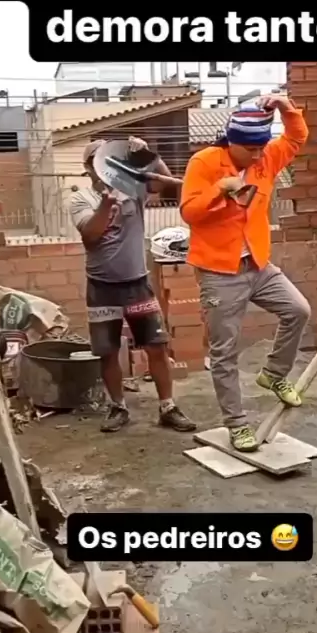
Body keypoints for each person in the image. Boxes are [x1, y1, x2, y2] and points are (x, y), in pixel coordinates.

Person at [180, 96, 311, 452]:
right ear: (232, 143)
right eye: (250, 150)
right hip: (219, 272)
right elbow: (189, 212)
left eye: (260, 149)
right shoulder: (205, 162)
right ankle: (237, 424)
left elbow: (296, 138)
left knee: (298, 310)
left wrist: (286, 107)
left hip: (258, 264)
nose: (257, 156)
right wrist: (218, 190)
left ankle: (274, 374)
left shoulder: (265, 158)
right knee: (224, 351)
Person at [69, 138, 196, 433]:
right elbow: (91, 235)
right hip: (102, 288)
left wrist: (148, 154)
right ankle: (118, 407)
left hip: (137, 285)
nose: (103, 161)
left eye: (108, 155)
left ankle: (168, 407)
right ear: (88, 167)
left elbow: (162, 183)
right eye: (96, 157)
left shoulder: (133, 188)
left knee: (156, 346)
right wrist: (107, 202)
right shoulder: (80, 199)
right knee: (108, 351)